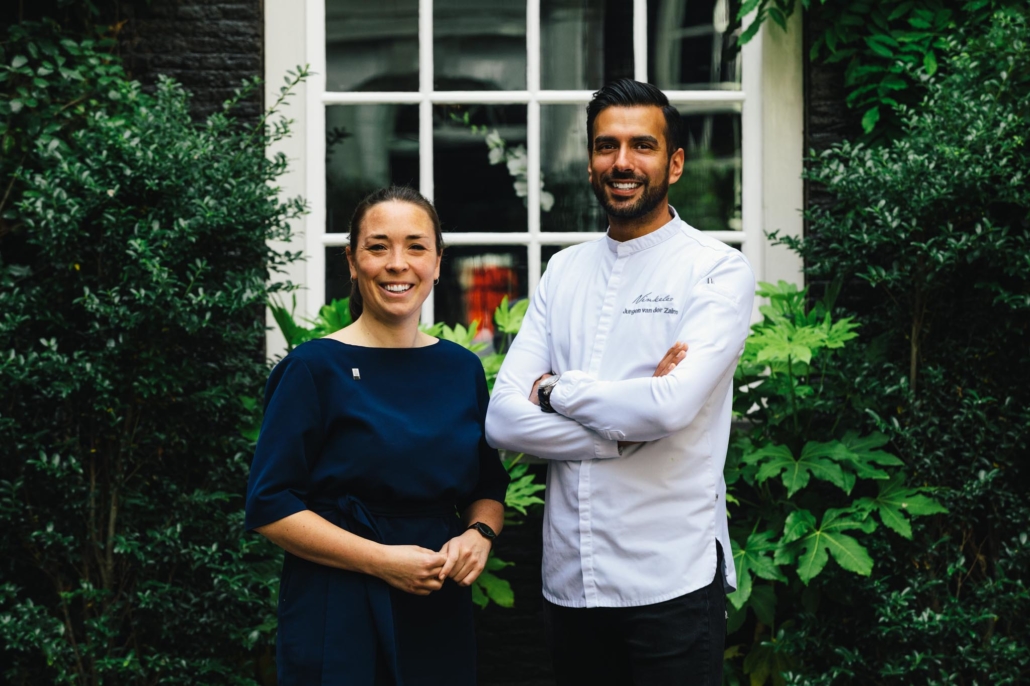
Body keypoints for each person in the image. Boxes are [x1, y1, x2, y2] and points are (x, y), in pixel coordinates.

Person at [485, 79, 756, 685]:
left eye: (643, 146)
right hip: (570, 584)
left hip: (671, 582)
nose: (623, 162)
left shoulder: (715, 270)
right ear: (590, 163)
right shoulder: (564, 271)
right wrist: (617, 433)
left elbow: (669, 408)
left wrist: (557, 392)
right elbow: (502, 418)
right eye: (607, 146)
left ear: (675, 162)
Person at [245, 186, 510, 686]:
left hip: (435, 599)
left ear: (436, 262)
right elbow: (270, 505)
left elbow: (487, 487)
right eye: (377, 246)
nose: (397, 263)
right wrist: (382, 562)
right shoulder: (311, 369)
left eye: (415, 246)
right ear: (352, 260)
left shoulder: (461, 368)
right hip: (337, 603)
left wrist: (479, 536)